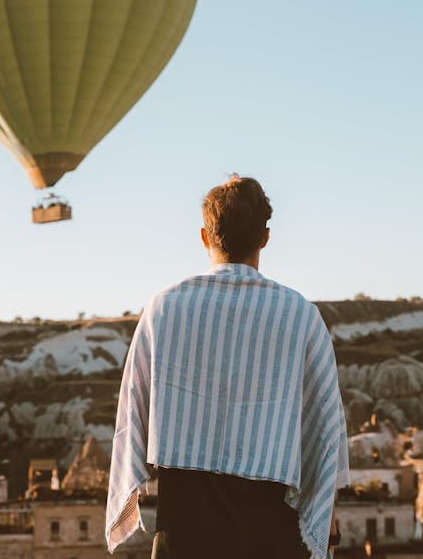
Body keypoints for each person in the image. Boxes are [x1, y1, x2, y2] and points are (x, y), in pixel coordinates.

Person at [105, 175, 349, 559]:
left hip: (184, 531)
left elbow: (131, 417)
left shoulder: (163, 310)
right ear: (265, 237)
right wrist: (328, 532)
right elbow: (327, 433)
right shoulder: (301, 316)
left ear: (205, 236)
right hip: (273, 535)